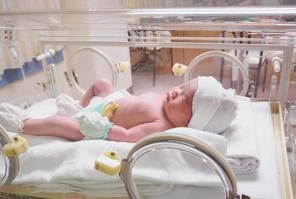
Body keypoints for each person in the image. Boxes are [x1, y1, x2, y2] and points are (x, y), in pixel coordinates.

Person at [0, 77, 238, 143]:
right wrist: (115, 98)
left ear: (190, 122)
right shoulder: (165, 102)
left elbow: (128, 136)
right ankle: (79, 107)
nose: (176, 91)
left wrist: (102, 128)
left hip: (98, 123)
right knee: (101, 84)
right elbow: (132, 100)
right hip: (109, 103)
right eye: (182, 86)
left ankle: (25, 123)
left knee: (63, 125)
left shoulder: (161, 124)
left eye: (184, 100)